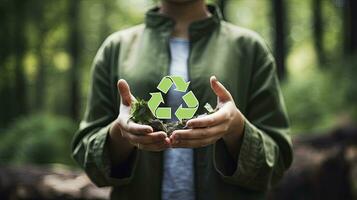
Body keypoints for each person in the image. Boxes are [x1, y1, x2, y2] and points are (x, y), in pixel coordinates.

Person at [71, 0, 293, 199]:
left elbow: (277, 164)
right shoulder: (116, 49)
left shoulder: (249, 48)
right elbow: (89, 161)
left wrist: (236, 128)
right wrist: (120, 134)